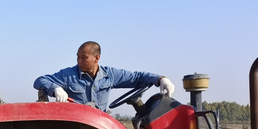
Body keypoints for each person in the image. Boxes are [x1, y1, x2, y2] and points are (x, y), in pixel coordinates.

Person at [33, 41, 175, 113]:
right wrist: (55, 88)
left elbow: (137, 77)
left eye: (84, 58)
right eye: (78, 57)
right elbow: (39, 80)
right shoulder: (67, 75)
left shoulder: (110, 75)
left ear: (97, 58)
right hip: (76, 123)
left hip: (99, 121)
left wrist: (160, 79)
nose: (79, 61)